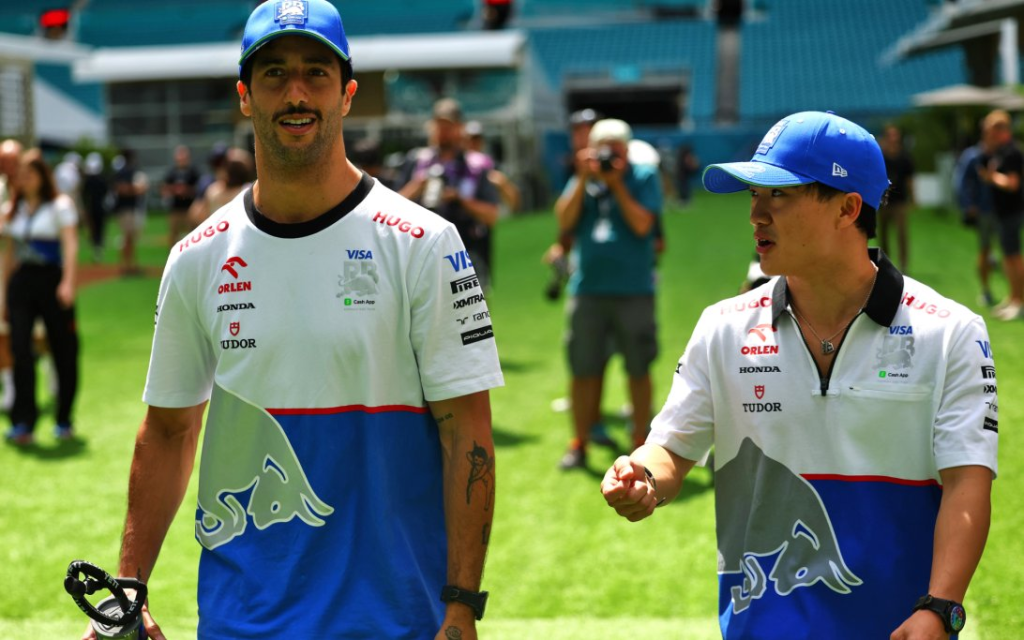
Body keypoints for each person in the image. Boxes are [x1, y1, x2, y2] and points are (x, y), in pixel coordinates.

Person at [86, 1, 503, 638]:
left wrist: (462, 604)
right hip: (240, 621)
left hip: (392, 619)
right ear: (245, 96)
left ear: (347, 95)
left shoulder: (424, 243)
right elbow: (168, 431)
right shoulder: (197, 257)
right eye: (275, 74)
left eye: (316, 73)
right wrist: (129, 588)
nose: (297, 93)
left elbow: (466, 433)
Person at [602, 111, 996, 639]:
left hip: (903, 627)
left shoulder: (951, 332)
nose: (756, 215)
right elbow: (672, 447)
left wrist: (942, 607)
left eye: (779, 196)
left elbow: (968, 482)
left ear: (847, 208)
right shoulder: (722, 326)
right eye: (754, 195)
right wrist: (644, 478)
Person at [555, 118, 662, 469]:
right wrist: (581, 177)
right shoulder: (584, 179)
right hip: (588, 289)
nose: (609, 157)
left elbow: (643, 224)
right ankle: (579, 442)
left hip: (634, 289)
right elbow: (564, 220)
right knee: (583, 369)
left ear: (627, 150)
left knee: (638, 367)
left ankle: (640, 441)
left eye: (616, 149)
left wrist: (616, 185)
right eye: (603, 149)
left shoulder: (643, 176)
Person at [3, 150, 79, 445]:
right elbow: (9, 255)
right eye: (20, 176)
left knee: (63, 350)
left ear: (42, 176)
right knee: (20, 351)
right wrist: (3, 294)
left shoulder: (60, 206)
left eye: (29, 174)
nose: (24, 180)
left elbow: (70, 245)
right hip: (22, 284)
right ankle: (24, 421)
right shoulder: (13, 209)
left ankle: (63, 419)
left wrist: (68, 283)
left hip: (52, 282)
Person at [398, 98, 500, 288]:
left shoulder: (476, 166)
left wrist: (460, 199)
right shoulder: (417, 162)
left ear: (460, 128)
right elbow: (390, 210)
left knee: (470, 307)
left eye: (448, 126)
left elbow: (492, 216)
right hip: (421, 257)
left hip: (466, 255)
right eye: (438, 125)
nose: (442, 132)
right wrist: (417, 187)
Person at [977, 109, 1024, 320]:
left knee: (1014, 257)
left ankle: (1020, 301)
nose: (986, 134)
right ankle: (1013, 298)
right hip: (1003, 212)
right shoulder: (999, 151)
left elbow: (1012, 183)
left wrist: (991, 177)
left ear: (1000, 129)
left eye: (989, 129)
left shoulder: (1012, 152)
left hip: (1012, 211)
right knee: (1008, 256)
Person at [954, 128, 998, 307]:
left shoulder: (1002, 154)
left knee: (1009, 252)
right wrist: (968, 204)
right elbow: (961, 182)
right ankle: (986, 290)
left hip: (1004, 211)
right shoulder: (972, 156)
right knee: (985, 249)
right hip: (984, 210)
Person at [0, 139, 22, 410]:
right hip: (4, 269)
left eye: (12, 160)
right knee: (3, 330)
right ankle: (11, 388)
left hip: (32, 270)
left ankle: (52, 373)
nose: (7, 166)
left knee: (40, 333)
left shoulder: (33, 188)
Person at [878, 124, 915, 273]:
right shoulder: (880, 157)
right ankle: (885, 264)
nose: (893, 138)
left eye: (896, 135)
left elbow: (909, 180)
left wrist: (913, 197)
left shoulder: (905, 157)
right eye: (890, 135)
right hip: (883, 201)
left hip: (900, 201)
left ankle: (903, 265)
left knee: (901, 234)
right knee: (883, 234)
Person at [464, 120, 521, 214]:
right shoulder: (457, 163)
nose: (473, 143)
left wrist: (502, 184)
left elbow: (514, 202)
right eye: (470, 139)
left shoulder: (490, 164)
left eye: (477, 139)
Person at [111, 150, 149, 275]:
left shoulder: (124, 171)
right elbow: (121, 188)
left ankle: (130, 264)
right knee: (128, 237)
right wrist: (134, 189)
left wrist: (132, 189)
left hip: (128, 208)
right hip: (126, 209)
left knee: (130, 238)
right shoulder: (125, 172)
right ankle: (127, 266)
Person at [161, 145, 200, 246]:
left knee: (193, 234)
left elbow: (199, 188)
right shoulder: (172, 172)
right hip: (175, 208)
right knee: (174, 235)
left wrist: (186, 190)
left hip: (190, 209)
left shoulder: (193, 172)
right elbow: (164, 188)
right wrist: (174, 190)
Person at [81, 152, 109, 263]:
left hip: (92, 208)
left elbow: (84, 195)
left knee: (94, 229)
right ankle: (98, 249)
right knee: (99, 229)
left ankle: (96, 249)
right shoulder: (103, 179)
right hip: (100, 208)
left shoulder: (88, 180)